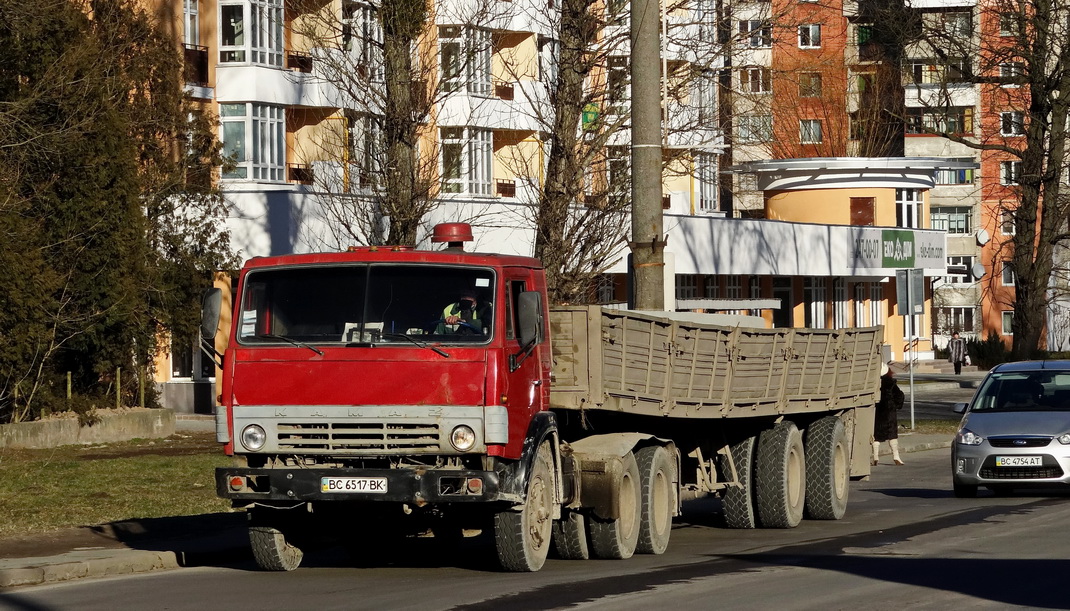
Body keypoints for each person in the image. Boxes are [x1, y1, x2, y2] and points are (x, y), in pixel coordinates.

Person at [873, 361, 905, 466]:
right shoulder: (891, 384)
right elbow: (899, 396)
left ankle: (875, 457)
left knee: (876, 434)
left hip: (877, 412)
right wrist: (897, 405)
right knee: (892, 434)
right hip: (889, 412)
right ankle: (896, 456)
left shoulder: (874, 383)